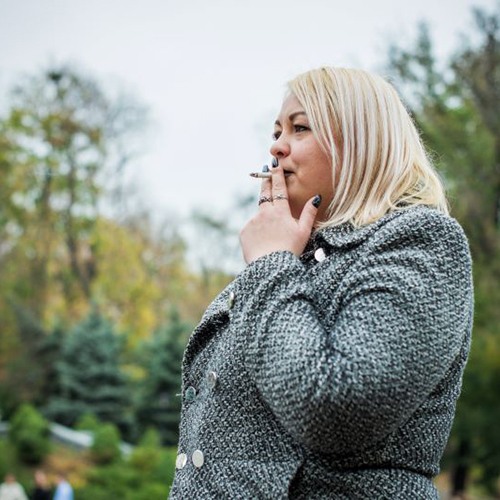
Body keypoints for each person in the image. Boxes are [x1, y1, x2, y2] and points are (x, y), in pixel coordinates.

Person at [169, 67, 473, 498]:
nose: (276, 145)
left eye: (300, 127)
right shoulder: (291, 261)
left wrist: (271, 260)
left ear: (360, 143)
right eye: (276, 130)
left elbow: (338, 408)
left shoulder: (419, 240)